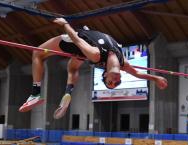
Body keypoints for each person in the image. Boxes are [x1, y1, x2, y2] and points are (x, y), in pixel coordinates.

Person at [19, 18, 168, 119]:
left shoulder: (96, 55)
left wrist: (64, 23)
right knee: (72, 68)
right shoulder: (123, 62)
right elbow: (138, 73)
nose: (115, 82)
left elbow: (76, 40)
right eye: (116, 83)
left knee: (37, 52)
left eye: (110, 83)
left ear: (105, 75)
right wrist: (156, 78)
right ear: (120, 75)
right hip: (85, 48)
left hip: (75, 42)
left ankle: (35, 94)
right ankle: (68, 92)